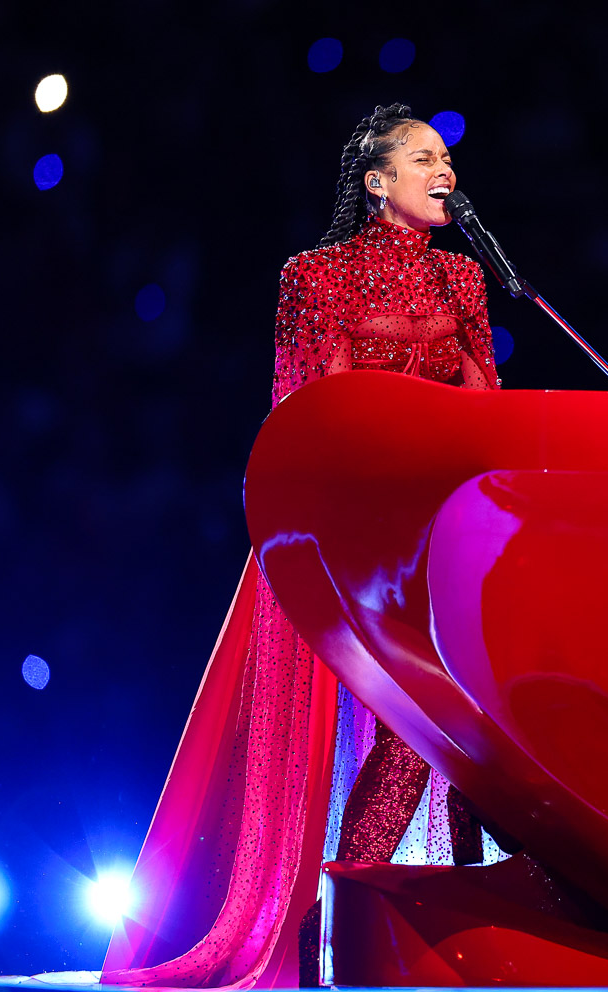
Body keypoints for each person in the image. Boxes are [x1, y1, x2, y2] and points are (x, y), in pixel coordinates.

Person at [100, 103, 501, 990]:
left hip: (440, 538)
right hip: (350, 537)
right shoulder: (314, 277)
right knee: (405, 712)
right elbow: (307, 414)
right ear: (376, 182)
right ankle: (320, 916)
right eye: (427, 158)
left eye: (450, 160)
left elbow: (488, 414)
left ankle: (364, 903)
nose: (447, 173)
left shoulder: (466, 283)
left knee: (436, 722)